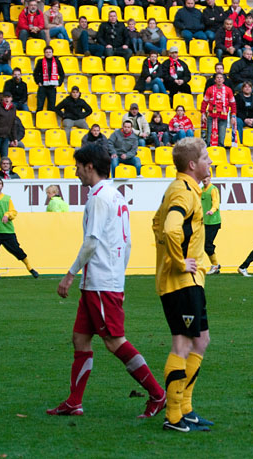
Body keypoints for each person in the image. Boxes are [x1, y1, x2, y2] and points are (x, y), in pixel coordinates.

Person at [47, 144, 166, 419]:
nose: (76, 172)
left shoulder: (98, 198)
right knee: (80, 339)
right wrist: (118, 276)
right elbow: (127, 242)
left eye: (78, 167)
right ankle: (74, 402)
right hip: (101, 281)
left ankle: (157, 394)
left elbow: (91, 241)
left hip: (101, 282)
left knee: (114, 341)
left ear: (89, 166)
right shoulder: (116, 195)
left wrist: (70, 274)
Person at [152, 137, 215, 432]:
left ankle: (186, 408)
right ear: (192, 164)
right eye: (205, 157)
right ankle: (174, 416)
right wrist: (178, 262)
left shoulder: (184, 189)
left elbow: (156, 223)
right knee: (183, 343)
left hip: (190, 280)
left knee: (201, 340)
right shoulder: (182, 192)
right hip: (181, 281)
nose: (210, 161)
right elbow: (169, 228)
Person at [0, 177, 40, 280]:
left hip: (7, 231)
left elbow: (13, 212)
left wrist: (7, 215)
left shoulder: (7, 199)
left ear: (2, 186)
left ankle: (30, 268)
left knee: (17, 251)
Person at [200, 73, 234, 147]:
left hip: (223, 115)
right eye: (217, 78)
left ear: (223, 80)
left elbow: (233, 104)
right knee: (209, 138)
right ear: (215, 80)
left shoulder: (228, 90)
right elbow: (204, 102)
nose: (219, 79)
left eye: (221, 78)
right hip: (211, 115)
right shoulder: (210, 89)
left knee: (221, 138)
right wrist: (203, 114)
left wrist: (233, 116)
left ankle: (220, 152)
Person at [33, 45, 65, 112]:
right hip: (43, 86)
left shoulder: (57, 62)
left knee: (51, 107)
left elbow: (62, 74)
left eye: (49, 52)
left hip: (52, 87)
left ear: (52, 53)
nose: (48, 53)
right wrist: (38, 82)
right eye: (46, 52)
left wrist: (59, 83)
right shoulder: (40, 61)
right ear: (44, 53)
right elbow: (35, 73)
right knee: (39, 106)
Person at [201, 173, 221, 274]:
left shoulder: (213, 189)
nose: (204, 179)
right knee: (201, 244)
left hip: (213, 222)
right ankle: (215, 265)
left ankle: (215, 265)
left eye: (206, 177)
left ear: (210, 178)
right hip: (204, 222)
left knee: (207, 244)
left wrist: (212, 211)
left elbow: (216, 202)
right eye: (203, 177)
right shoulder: (201, 190)